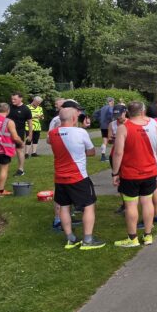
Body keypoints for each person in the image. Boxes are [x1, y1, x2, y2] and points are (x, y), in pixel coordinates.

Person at [111, 102, 157, 248]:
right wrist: (156, 168)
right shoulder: (153, 125)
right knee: (147, 202)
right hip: (149, 172)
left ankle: (132, 238)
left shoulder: (123, 128)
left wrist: (115, 172)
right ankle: (148, 235)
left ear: (127, 113)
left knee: (131, 204)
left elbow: (118, 153)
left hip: (130, 173)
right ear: (143, 111)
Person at [49, 107, 106, 250]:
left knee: (64, 206)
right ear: (74, 119)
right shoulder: (81, 132)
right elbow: (92, 152)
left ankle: (70, 239)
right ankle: (88, 240)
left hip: (60, 177)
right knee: (88, 205)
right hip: (78, 176)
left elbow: (52, 142)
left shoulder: (52, 133)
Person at [7, 93, 33, 177]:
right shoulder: (9, 107)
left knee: (19, 150)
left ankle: (21, 169)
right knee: (5, 150)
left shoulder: (26, 109)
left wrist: (30, 135)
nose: (13, 101)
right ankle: (4, 167)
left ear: (20, 99)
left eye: (15, 99)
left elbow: (30, 123)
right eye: (12, 99)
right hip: (7, 132)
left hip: (19, 132)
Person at [98, 97, 116, 161]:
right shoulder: (110, 107)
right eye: (113, 101)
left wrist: (100, 120)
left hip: (102, 126)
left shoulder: (102, 108)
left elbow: (96, 114)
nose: (114, 103)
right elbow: (111, 114)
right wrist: (112, 120)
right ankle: (115, 155)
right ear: (111, 101)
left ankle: (103, 156)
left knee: (105, 141)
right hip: (108, 125)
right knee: (114, 139)